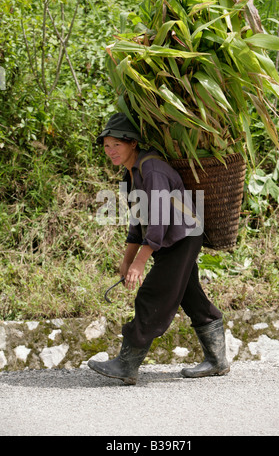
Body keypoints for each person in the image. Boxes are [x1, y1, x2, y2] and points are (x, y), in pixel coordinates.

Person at [88, 112, 229, 385]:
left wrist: (140, 263)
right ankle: (217, 360)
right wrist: (127, 259)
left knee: (152, 294)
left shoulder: (151, 169)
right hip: (170, 238)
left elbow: (159, 221)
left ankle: (127, 365)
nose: (111, 151)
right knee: (191, 296)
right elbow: (137, 220)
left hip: (182, 236)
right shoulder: (131, 174)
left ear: (132, 144)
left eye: (117, 144)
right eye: (106, 145)